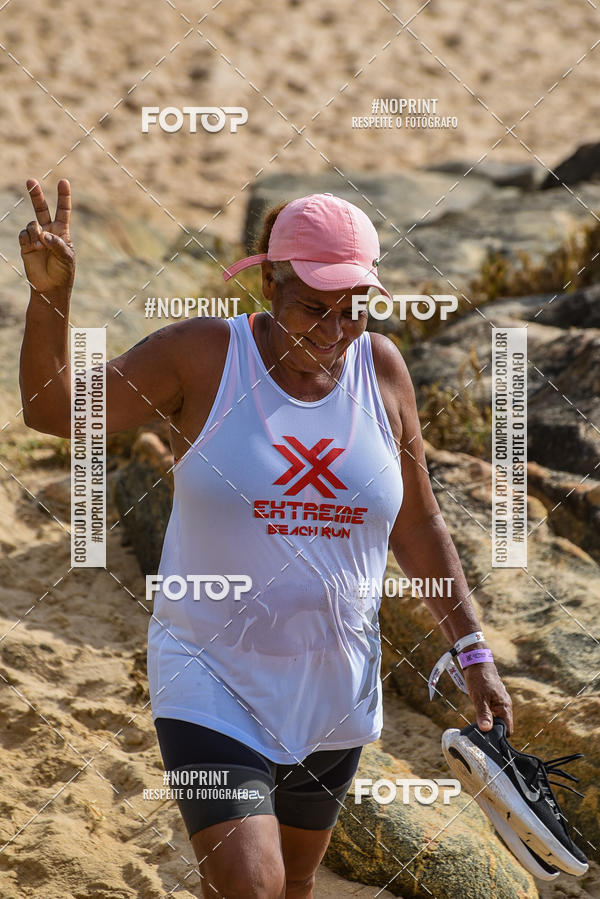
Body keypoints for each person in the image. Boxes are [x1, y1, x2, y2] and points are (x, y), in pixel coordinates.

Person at [19, 181, 514, 899]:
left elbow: (417, 522)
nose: (334, 329)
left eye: (353, 308)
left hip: (334, 688)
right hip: (211, 677)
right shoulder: (203, 356)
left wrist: (472, 651)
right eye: (314, 306)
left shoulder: (382, 370)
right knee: (252, 885)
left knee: (295, 883)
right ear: (268, 282)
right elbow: (54, 410)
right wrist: (52, 298)